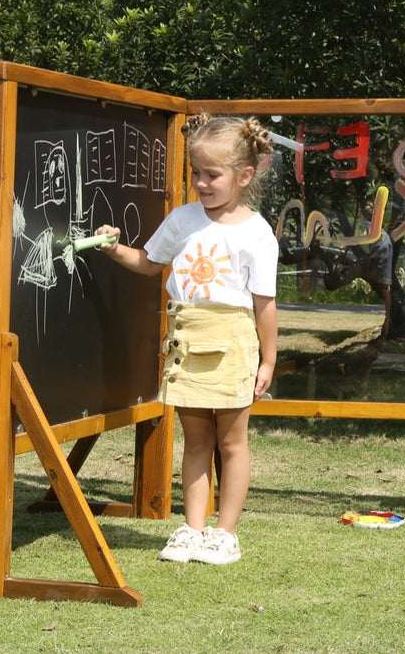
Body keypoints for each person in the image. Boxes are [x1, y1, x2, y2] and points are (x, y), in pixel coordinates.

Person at [94, 114, 278, 565]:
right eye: (195, 172)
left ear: (244, 175)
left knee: (231, 443)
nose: (200, 182)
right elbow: (149, 262)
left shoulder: (257, 233)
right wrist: (114, 248)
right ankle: (193, 530)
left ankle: (224, 534)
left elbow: (265, 305)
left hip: (234, 342)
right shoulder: (182, 220)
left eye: (212, 175)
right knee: (196, 441)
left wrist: (268, 360)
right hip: (186, 339)